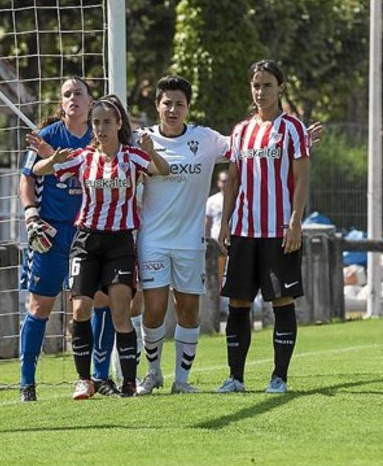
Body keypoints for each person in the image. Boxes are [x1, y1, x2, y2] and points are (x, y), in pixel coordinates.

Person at [32, 95, 170, 398]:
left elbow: (164, 170)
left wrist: (151, 152)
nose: (101, 128)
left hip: (120, 242)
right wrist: (52, 160)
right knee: (80, 308)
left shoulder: (132, 156)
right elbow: (38, 171)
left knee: (120, 312)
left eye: (107, 121)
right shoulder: (83, 157)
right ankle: (84, 380)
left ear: (119, 123)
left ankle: (129, 382)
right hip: (86, 241)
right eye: (96, 122)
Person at [19, 77, 118, 402]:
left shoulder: (100, 136)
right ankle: (27, 382)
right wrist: (31, 214)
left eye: (78, 93)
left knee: (100, 300)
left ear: (90, 101)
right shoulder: (47, 136)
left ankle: (99, 376)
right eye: (66, 94)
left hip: (90, 232)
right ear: (61, 103)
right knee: (40, 305)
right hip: (52, 233)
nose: (72, 98)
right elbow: (27, 179)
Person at [216, 59, 310, 395]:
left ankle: (279, 377)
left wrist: (295, 221)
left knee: (281, 301)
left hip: (279, 231)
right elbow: (233, 180)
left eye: (267, 85)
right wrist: (225, 223)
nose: (260, 91)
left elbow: (301, 178)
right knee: (238, 303)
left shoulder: (293, 129)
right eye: (256, 85)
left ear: (280, 87)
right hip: (244, 231)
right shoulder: (241, 130)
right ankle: (235, 378)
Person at [135, 76, 230, 396]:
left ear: (188, 107)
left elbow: (246, 147)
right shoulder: (141, 139)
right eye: (167, 103)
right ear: (157, 106)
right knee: (154, 308)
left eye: (179, 104)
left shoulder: (206, 139)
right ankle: (152, 373)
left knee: (189, 310)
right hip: (153, 240)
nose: (173, 110)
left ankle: (182, 380)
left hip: (190, 241)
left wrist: (295, 141)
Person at [206, 170, 229, 316]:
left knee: (231, 274)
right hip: (216, 242)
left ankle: (228, 306)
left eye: (227, 181)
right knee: (218, 276)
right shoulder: (212, 200)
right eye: (223, 181)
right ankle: (219, 308)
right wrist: (207, 238)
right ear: (218, 182)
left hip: (232, 241)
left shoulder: (236, 197)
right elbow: (207, 221)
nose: (225, 184)